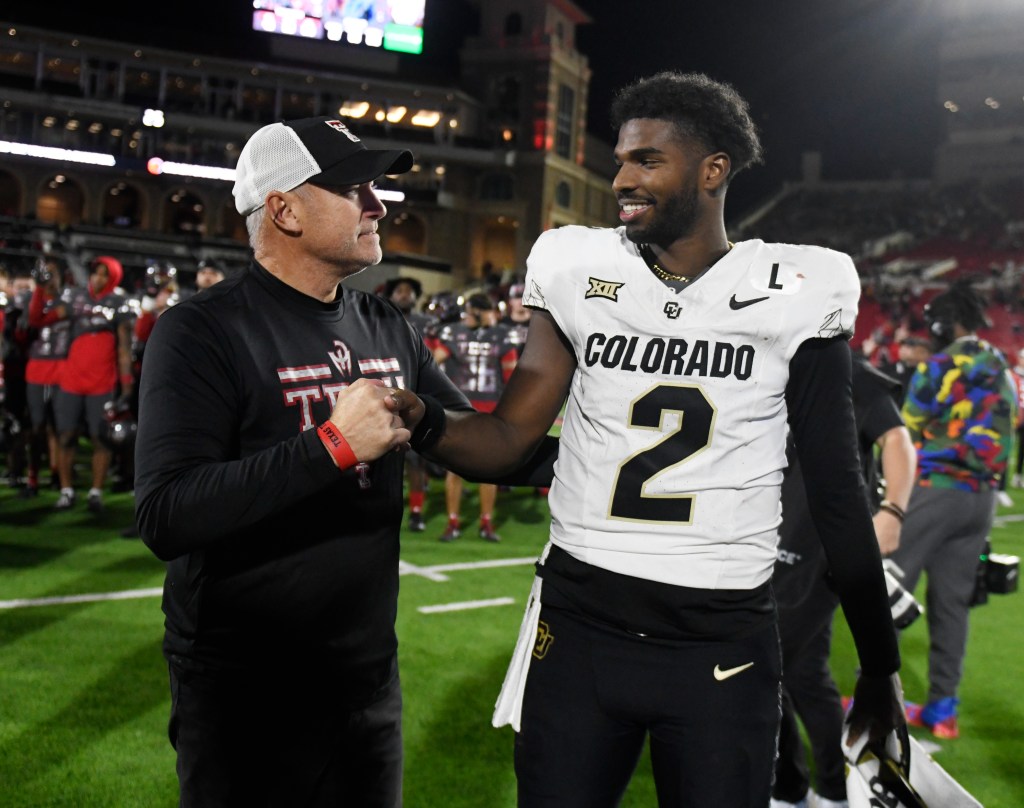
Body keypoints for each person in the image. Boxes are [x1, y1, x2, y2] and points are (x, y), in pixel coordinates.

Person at [394, 71, 905, 807]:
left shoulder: (798, 286)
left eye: (647, 160)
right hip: (580, 624)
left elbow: (835, 489)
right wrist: (428, 425)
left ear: (713, 169)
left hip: (720, 639)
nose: (622, 177)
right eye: (622, 160)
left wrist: (879, 667)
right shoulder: (580, 268)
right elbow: (509, 436)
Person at [133, 115, 480, 807]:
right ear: (284, 210)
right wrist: (332, 446)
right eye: (356, 188)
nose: (379, 204)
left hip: (366, 682)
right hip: (244, 688)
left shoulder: (388, 324)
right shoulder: (202, 329)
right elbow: (167, 513)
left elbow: (480, 441)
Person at [770, 351, 916, 808]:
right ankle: (826, 789)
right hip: (773, 531)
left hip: (816, 541)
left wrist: (892, 511)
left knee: (768, 662)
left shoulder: (843, 366)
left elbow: (896, 440)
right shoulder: (774, 358)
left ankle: (797, 787)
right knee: (803, 672)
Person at [890, 280, 1016, 740]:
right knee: (952, 603)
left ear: (943, 325)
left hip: (936, 488)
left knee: (887, 587)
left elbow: (908, 429)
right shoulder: (999, 366)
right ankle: (943, 709)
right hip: (980, 499)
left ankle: (878, 699)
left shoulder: (939, 365)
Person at [45, 254, 134, 513]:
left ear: (114, 277)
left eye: (105, 274)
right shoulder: (76, 298)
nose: (98, 278)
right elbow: (45, 319)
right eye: (96, 272)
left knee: (100, 439)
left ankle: (95, 492)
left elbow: (124, 349)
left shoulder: (119, 303)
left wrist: (126, 386)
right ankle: (66, 490)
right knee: (66, 436)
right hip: (71, 380)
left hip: (102, 383)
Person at [431, 291, 519, 543]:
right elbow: (432, 362)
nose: (465, 316)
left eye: (469, 311)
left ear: (480, 312)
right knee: (454, 469)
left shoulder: (502, 335)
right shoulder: (454, 333)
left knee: (488, 469)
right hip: (460, 409)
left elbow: (511, 376)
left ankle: (486, 522)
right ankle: (453, 522)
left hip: (490, 408)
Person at [383, 275, 432, 531]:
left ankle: (415, 510)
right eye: (399, 290)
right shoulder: (378, 321)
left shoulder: (427, 324)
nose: (404, 295)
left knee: (414, 459)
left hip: (417, 396)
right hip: (385, 395)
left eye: (409, 291)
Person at [23, 256, 72, 496]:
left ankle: (55, 472)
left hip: (61, 370)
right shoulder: (32, 299)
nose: (49, 277)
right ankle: (32, 476)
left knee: (58, 427)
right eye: (45, 273)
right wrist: (39, 289)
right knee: (37, 426)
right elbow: (33, 321)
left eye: (52, 273)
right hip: (37, 370)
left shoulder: (69, 300)